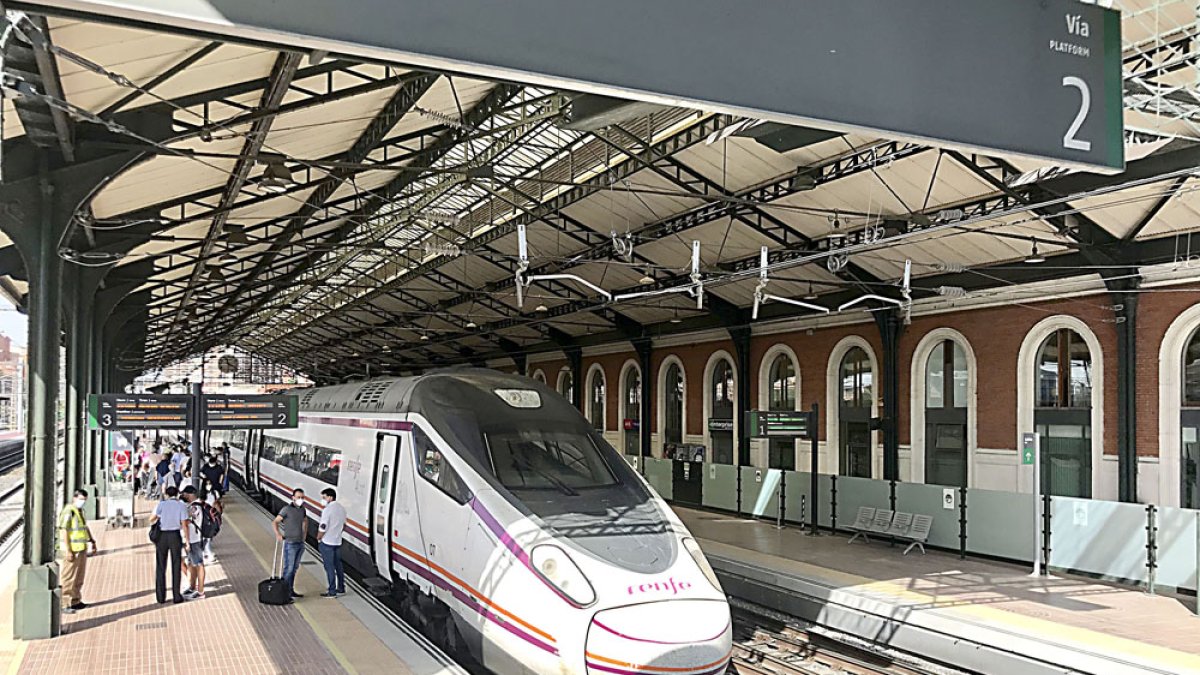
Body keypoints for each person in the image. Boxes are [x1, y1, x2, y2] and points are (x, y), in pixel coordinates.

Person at [59, 489, 97, 614]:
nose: (82, 502)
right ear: (74, 498)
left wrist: (92, 540)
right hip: (72, 550)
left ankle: (75, 600)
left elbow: (84, 527)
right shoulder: (68, 511)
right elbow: (64, 530)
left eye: (84, 500)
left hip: (81, 548)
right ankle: (65, 603)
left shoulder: (80, 511)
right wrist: (68, 550)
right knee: (68, 577)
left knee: (79, 576)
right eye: (81, 499)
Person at [149, 486, 187, 604]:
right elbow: (184, 524)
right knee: (176, 565)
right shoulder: (181, 505)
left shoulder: (161, 505)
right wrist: (187, 540)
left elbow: (152, 519)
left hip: (162, 537)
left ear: (166, 494)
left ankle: (161, 597)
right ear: (177, 494)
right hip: (175, 536)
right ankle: (176, 596)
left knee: (161, 565)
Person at [272, 488, 308, 602]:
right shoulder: (286, 509)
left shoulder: (302, 510)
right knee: (289, 569)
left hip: (300, 543)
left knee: (294, 568)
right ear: (293, 498)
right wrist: (278, 534)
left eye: (302, 497)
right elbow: (275, 521)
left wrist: (304, 536)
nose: (300, 499)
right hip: (290, 543)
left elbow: (305, 521)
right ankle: (285, 594)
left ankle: (290, 590)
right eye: (298, 497)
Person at [317, 488, 346, 598]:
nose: (322, 500)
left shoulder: (327, 510)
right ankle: (341, 587)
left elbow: (323, 527)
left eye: (324, 497)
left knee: (329, 567)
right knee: (338, 566)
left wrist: (319, 538)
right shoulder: (341, 509)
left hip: (327, 542)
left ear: (330, 497)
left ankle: (332, 591)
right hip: (337, 542)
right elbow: (344, 525)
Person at [180, 486, 206, 600]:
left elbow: (185, 520)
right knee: (191, 563)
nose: (183, 496)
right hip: (193, 539)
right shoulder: (193, 506)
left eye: (185, 494)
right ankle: (192, 587)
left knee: (199, 564)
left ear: (190, 494)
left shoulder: (195, 507)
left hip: (195, 539)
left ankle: (200, 592)